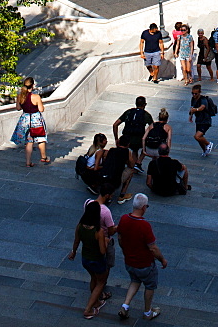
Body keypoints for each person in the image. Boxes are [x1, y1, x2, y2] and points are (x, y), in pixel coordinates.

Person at [117, 193, 167, 321]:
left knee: (135, 281)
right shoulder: (144, 225)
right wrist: (162, 259)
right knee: (149, 286)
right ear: (144, 207)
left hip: (129, 262)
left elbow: (120, 238)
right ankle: (147, 312)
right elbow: (153, 248)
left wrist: (125, 251)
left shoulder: (123, 219)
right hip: (144, 263)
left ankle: (125, 305)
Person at [68, 199, 108, 318]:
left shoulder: (80, 226)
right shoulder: (98, 231)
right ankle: (88, 309)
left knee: (93, 279)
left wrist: (73, 252)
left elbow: (76, 242)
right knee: (101, 282)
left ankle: (96, 302)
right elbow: (102, 251)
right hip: (97, 260)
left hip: (85, 259)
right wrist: (106, 241)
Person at [10, 76, 50, 167]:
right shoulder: (36, 97)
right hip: (35, 119)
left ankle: (28, 162)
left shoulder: (20, 96)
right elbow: (41, 109)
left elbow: (18, 108)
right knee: (41, 138)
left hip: (25, 119)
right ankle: (44, 157)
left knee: (29, 141)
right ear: (32, 86)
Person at [113, 97, 153, 173]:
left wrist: (116, 139)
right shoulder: (146, 115)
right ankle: (137, 163)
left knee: (132, 150)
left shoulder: (128, 112)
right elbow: (152, 127)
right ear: (145, 104)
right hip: (138, 140)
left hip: (125, 138)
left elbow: (115, 125)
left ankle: (132, 165)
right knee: (144, 147)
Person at [99, 132, 136, 205]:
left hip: (104, 176)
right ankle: (122, 195)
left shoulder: (111, 150)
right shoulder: (127, 152)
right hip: (115, 180)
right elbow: (132, 165)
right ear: (128, 144)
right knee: (131, 171)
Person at [189, 82, 214, 156]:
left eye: (196, 93)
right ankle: (205, 151)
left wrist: (196, 110)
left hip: (205, 120)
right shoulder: (193, 99)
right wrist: (191, 115)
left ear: (199, 93)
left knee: (197, 136)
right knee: (199, 138)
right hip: (199, 120)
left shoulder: (203, 99)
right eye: (192, 93)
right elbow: (192, 107)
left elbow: (202, 107)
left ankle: (209, 144)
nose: (194, 95)